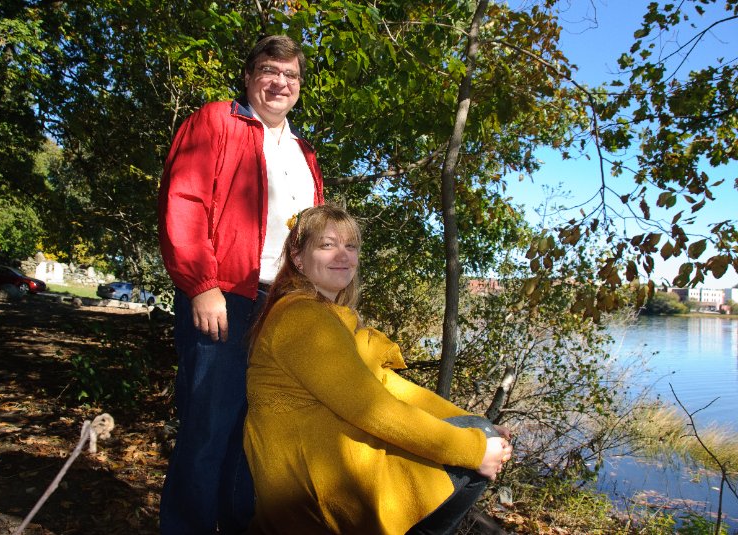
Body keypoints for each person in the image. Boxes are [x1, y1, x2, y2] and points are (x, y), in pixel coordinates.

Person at [244, 205, 514, 535]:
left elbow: (392, 387)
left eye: (351, 246)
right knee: (477, 445)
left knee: (480, 432)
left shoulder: (328, 316)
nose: (343, 255)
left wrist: (478, 428)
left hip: (332, 470)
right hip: (316, 488)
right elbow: (373, 409)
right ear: (299, 258)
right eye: (328, 245)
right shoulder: (303, 318)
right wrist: (473, 448)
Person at [157, 35, 324, 534]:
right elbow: (184, 202)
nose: (281, 83)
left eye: (291, 76)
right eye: (270, 72)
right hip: (224, 296)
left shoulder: (304, 153)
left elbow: (312, 237)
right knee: (207, 429)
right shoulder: (216, 121)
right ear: (250, 77)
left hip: (283, 306)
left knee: (256, 430)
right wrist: (202, 285)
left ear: (299, 86)